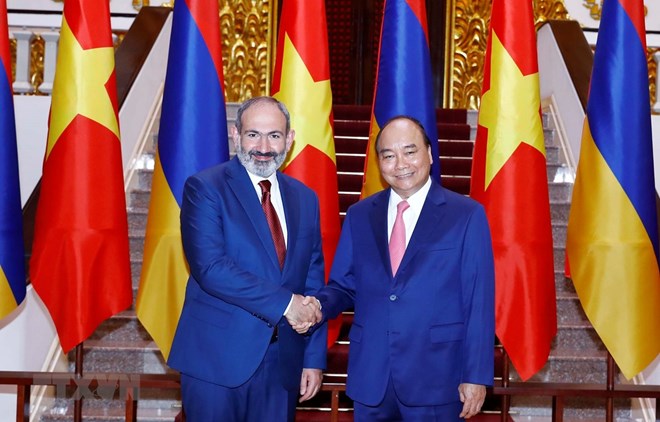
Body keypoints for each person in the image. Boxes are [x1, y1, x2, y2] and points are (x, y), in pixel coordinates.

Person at [313, 116, 495, 421]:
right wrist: (318, 304)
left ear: (430, 154)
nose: (400, 164)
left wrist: (476, 374)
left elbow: (479, 300)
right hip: (371, 377)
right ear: (379, 163)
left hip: (437, 378)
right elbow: (344, 285)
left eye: (410, 152)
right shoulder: (360, 215)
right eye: (388, 155)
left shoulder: (466, 215)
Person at [168, 96, 327, 421]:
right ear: (235, 134)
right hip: (216, 361)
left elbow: (312, 280)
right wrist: (287, 304)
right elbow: (211, 268)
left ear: (290, 139)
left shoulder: (305, 199)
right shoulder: (205, 188)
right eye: (253, 134)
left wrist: (312, 356)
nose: (263, 146)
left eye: (274, 135)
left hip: (282, 363)